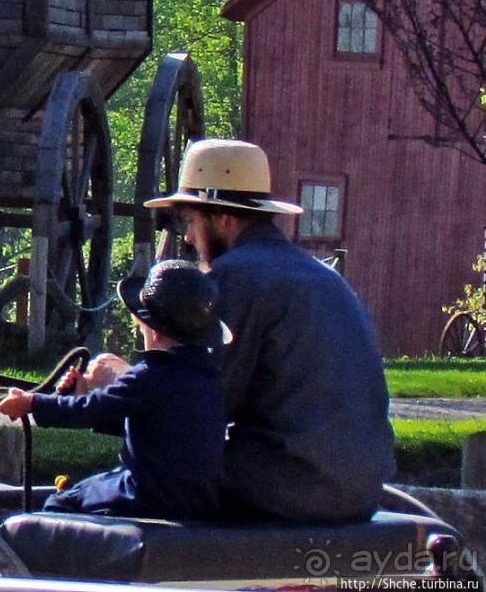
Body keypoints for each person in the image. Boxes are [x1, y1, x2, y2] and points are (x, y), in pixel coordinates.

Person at [101, 138, 396, 523]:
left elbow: (194, 411)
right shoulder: (325, 277)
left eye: (190, 220)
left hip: (283, 491)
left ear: (224, 218)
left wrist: (113, 384)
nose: (188, 238)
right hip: (361, 492)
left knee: (98, 497)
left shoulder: (232, 277)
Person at [0, 259, 231, 521]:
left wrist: (30, 403)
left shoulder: (149, 376)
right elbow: (160, 424)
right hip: (197, 502)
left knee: (61, 503)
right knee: (92, 486)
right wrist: (82, 396)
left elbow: (88, 411)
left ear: (154, 331)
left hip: (146, 495)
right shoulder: (208, 378)